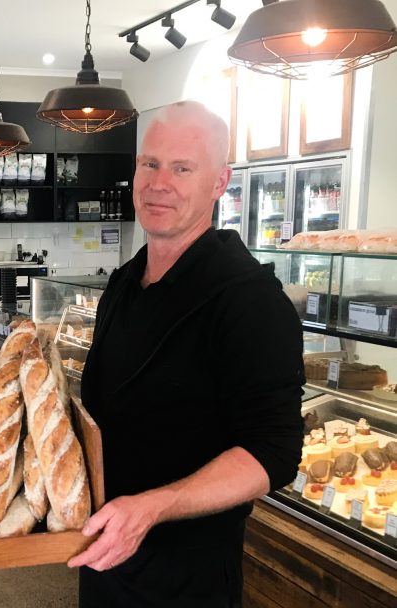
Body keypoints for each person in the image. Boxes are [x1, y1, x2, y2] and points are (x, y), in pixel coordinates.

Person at [69, 101, 304, 607]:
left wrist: (154, 507)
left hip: (187, 579)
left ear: (220, 182)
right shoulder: (125, 284)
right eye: (149, 163)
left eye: (182, 168)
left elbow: (274, 453)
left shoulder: (249, 300)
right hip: (106, 559)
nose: (158, 183)